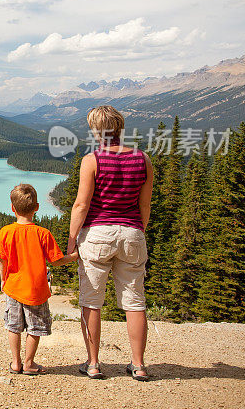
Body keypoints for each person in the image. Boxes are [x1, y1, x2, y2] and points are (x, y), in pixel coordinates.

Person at [66, 105, 153, 381]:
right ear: (120, 127)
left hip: (97, 235)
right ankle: (138, 365)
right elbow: (145, 205)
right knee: (134, 301)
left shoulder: (92, 160)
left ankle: (93, 364)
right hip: (132, 234)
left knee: (91, 301)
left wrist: (71, 242)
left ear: (96, 130)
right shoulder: (144, 159)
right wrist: (137, 231)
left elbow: (81, 205)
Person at [0, 183, 79, 375]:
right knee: (34, 327)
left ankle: (15, 363)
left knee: (14, 326)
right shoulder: (43, 234)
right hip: (36, 290)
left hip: (14, 288)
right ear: (37, 208)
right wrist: (73, 257)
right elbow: (56, 261)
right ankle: (29, 363)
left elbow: (2, 260)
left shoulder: (5, 232)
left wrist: (3, 281)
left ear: (12, 208)